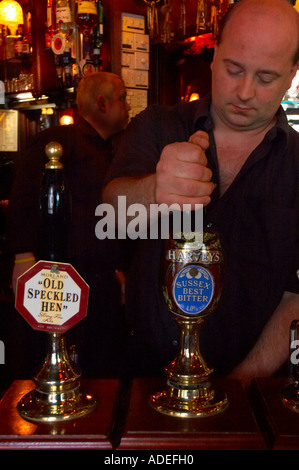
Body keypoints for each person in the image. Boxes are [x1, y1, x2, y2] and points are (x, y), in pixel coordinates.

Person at [103, 0, 299, 387]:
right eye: (233, 69)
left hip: (251, 390)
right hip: (144, 377)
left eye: (266, 78)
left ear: (292, 75)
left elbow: (296, 297)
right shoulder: (158, 125)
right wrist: (155, 191)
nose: (244, 92)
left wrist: (240, 388)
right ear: (213, 56)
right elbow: (112, 216)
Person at [7, 72, 132, 381]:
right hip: (59, 280)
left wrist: (119, 267)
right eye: (123, 98)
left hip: (101, 283)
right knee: (58, 366)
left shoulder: (116, 150)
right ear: (102, 103)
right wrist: (22, 256)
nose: (128, 106)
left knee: (99, 371)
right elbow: (23, 199)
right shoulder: (57, 143)